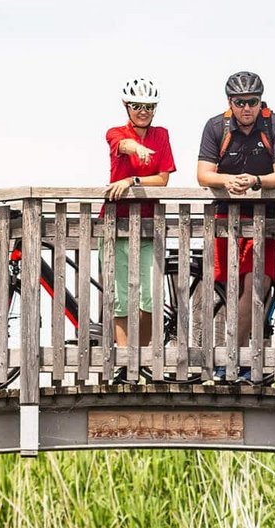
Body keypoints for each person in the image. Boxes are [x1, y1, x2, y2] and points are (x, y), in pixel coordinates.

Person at [196, 71, 275, 379]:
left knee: (257, 286)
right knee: (232, 289)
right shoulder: (216, 127)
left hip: (265, 221)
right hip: (226, 220)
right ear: (230, 103)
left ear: (261, 102)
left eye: (252, 101)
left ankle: (231, 362)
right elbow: (203, 174)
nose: (246, 108)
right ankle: (235, 361)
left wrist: (256, 181)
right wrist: (229, 180)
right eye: (239, 103)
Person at [104, 78, 175, 377]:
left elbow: (162, 179)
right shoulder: (116, 132)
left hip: (149, 224)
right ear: (126, 106)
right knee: (121, 295)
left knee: (148, 294)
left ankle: (142, 358)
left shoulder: (161, 135)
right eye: (137, 106)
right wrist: (136, 149)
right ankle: (123, 361)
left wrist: (132, 180)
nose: (143, 112)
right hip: (117, 222)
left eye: (149, 107)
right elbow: (123, 144)